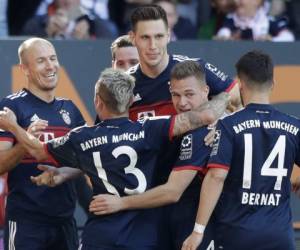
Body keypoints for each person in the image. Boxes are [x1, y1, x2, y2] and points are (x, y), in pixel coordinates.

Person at [0, 68, 230, 250]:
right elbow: (202, 117)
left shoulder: (82, 137)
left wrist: (14, 127)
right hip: (144, 235)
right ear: (131, 102)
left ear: (98, 102)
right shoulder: (151, 128)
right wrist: (227, 97)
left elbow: (38, 150)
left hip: (101, 234)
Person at [89, 60, 216, 250]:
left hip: (200, 223)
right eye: (175, 95)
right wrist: (65, 172)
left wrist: (120, 203)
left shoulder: (210, 132)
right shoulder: (162, 127)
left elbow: (173, 192)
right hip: (162, 220)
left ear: (206, 91)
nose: (182, 102)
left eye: (189, 94)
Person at [182, 50, 299, 250]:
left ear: (240, 84)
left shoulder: (228, 125)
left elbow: (216, 177)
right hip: (280, 236)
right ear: (273, 84)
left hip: (237, 235)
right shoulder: (294, 126)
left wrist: (198, 231)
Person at [0, 37, 85, 250]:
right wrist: (25, 142)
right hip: (26, 222)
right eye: (41, 61)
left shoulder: (70, 109)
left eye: (53, 58)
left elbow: (85, 161)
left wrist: (62, 173)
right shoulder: (11, 106)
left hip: (65, 221)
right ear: (25, 69)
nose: (50, 66)